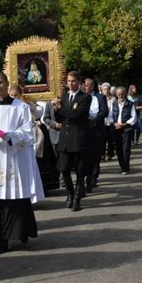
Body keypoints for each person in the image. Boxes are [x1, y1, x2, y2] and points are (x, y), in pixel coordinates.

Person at [0, 72, 44, 256]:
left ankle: (21, 233)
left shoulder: (20, 107)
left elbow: (28, 132)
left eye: (0, 83)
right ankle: (0, 240)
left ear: (7, 84)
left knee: (16, 199)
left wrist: (9, 135)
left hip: (13, 158)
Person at [54, 71, 92, 211]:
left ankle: (77, 198)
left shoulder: (85, 98)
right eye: (69, 81)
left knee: (80, 171)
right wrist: (56, 109)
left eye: (74, 81)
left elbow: (76, 115)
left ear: (79, 82)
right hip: (65, 138)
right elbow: (59, 119)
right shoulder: (64, 97)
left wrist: (60, 109)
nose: (71, 83)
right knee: (63, 169)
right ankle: (70, 192)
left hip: (78, 138)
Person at [84, 78, 108, 189]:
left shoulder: (100, 97)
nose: (86, 87)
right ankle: (86, 177)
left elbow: (104, 111)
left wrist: (95, 120)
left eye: (88, 85)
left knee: (96, 155)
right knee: (86, 156)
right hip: (85, 129)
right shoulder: (81, 97)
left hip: (97, 129)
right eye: (85, 85)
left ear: (92, 86)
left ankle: (93, 178)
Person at [108, 86, 137, 175]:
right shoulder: (114, 104)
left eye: (122, 94)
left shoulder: (130, 104)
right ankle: (122, 166)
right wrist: (114, 123)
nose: (120, 96)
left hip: (126, 129)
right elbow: (110, 115)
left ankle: (126, 168)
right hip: (116, 129)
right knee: (118, 149)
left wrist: (125, 124)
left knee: (126, 149)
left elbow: (134, 117)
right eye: (118, 94)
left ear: (125, 94)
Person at [101, 82, 115, 160]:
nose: (106, 91)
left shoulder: (113, 99)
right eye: (104, 89)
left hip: (110, 121)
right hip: (102, 122)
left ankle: (110, 154)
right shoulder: (99, 98)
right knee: (102, 139)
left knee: (111, 139)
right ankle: (102, 154)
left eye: (107, 89)